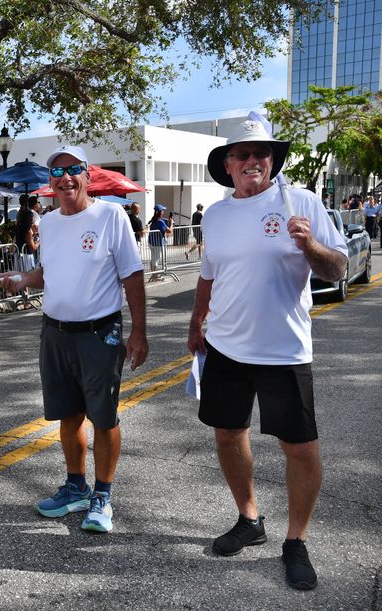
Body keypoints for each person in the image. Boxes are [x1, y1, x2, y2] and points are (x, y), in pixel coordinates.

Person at [188, 120, 348, 591]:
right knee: (227, 434)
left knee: (299, 448)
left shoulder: (302, 202)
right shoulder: (216, 216)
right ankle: (249, 518)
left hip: (284, 350)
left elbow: (337, 267)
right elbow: (208, 275)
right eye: (242, 154)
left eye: (262, 153)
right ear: (228, 165)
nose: (252, 161)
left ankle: (295, 541)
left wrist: (310, 244)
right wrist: (196, 323)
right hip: (225, 347)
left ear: (272, 161)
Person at [0, 145, 147, 533]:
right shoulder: (47, 223)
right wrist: (20, 279)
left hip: (100, 333)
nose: (65, 178)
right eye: (57, 172)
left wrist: (139, 333)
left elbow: (132, 276)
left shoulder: (111, 215)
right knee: (68, 415)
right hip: (55, 332)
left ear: (88, 176)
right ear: (50, 182)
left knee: (103, 417)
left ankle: (102, 495)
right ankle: (76, 486)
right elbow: (48, 273)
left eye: (74, 169)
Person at [147, 205, 171, 281]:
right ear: (161, 212)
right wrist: (172, 224)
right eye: (163, 210)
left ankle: (153, 275)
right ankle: (155, 276)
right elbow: (169, 231)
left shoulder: (153, 219)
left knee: (153, 258)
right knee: (156, 259)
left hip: (151, 242)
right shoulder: (160, 221)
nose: (164, 212)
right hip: (157, 243)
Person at [14, 202, 39, 271]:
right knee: (27, 276)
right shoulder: (27, 231)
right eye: (31, 219)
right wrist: (39, 241)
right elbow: (33, 248)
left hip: (19, 256)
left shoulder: (19, 228)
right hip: (26, 258)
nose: (32, 221)